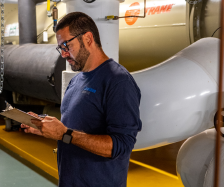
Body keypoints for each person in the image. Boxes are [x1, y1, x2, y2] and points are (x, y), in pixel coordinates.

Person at [21, 12, 142, 187]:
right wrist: (50, 130)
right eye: (60, 48)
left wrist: (64, 134)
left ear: (88, 38)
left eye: (66, 46)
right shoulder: (77, 80)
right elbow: (73, 132)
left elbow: (121, 146)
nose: (63, 54)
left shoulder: (118, 81)